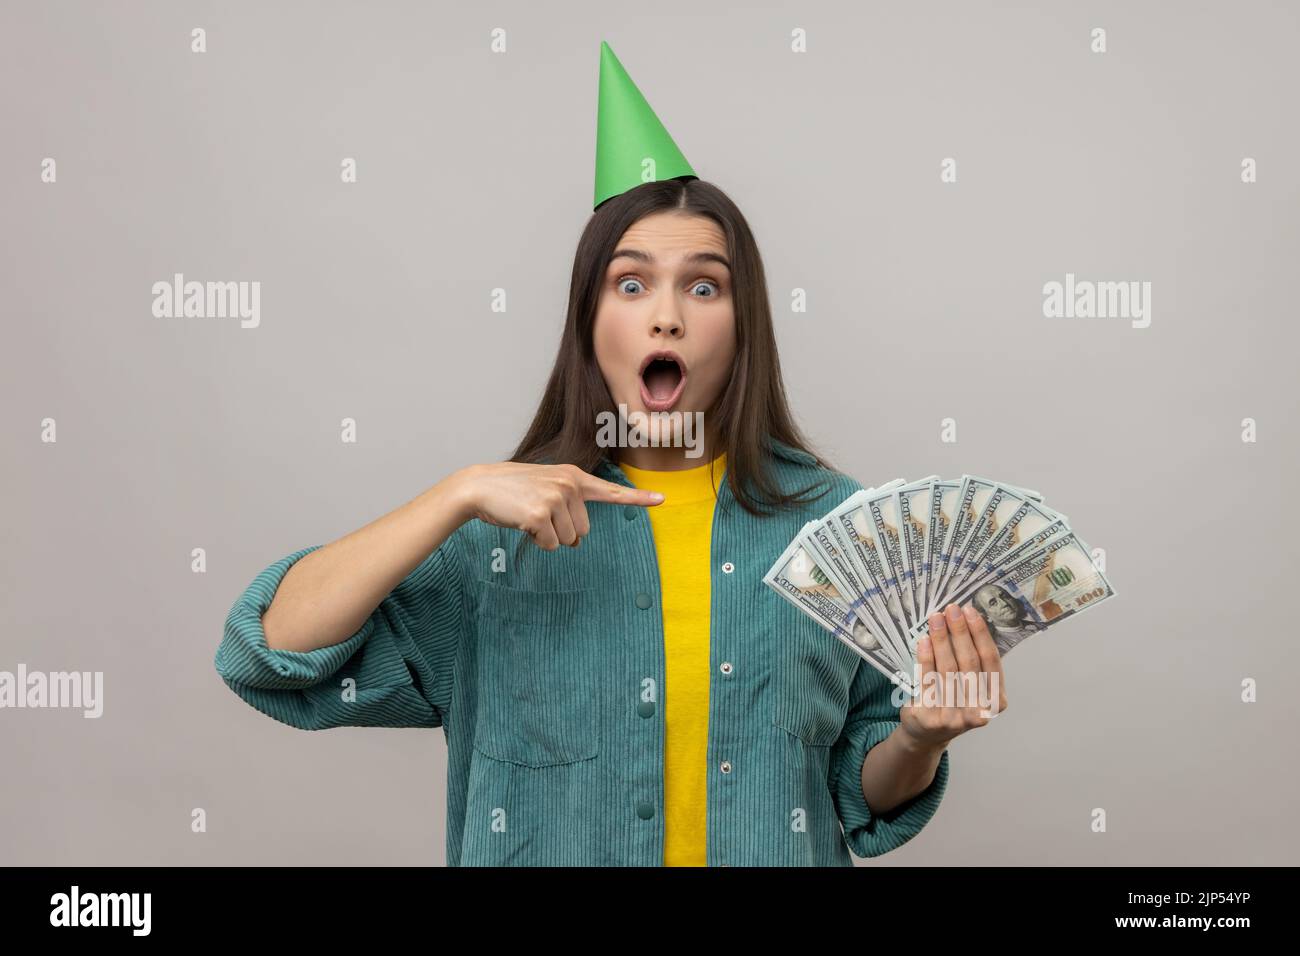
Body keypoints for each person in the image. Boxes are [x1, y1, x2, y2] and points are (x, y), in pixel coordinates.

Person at [214, 40, 1007, 867]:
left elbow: (863, 798)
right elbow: (267, 650)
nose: (667, 316)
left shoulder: (838, 530)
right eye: (631, 285)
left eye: (704, 287)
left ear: (743, 327)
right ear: (591, 324)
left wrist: (919, 737)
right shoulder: (495, 538)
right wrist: (456, 493)